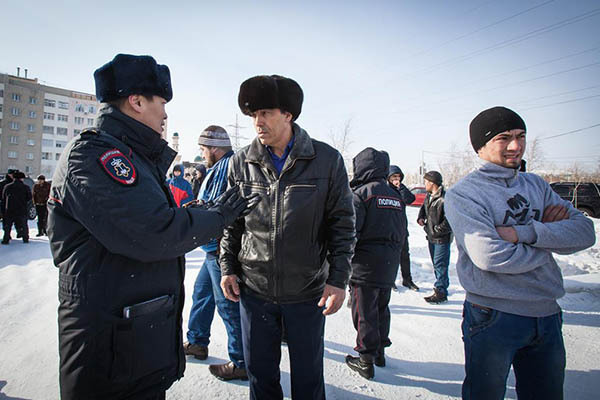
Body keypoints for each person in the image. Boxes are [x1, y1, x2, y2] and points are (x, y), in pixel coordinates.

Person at [47, 53, 259, 400]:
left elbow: (149, 218)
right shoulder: (98, 156)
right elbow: (153, 232)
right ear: (137, 101)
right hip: (109, 349)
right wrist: (219, 215)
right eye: (161, 103)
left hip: (132, 338)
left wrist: (202, 211)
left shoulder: (133, 156)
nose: (164, 114)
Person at [445, 106, 595, 400]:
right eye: (503, 138)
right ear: (480, 146)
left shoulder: (536, 185)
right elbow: (490, 256)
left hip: (547, 313)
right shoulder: (465, 194)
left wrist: (524, 233)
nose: (516, 145)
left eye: (521, 136)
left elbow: (585, 232)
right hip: (493, 316)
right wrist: (550, 240)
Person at [219, 74, 355, 400]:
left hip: (306, 293)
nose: (258, 122)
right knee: (261, 378)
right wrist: (227, 267)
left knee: (308, 380)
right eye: (253, 115)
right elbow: (230, 224)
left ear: (288, 115)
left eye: (265, 113)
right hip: (254, 292)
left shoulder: (326, 160)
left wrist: (338, 280)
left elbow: (343, 225)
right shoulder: (240, 162)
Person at [183, 125, 248, 381]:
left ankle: (241, 361)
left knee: (227, 305)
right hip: (212, 248)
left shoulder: (225, 167)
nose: (202, 154)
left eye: (203, 149)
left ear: (215, 148)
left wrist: (194, 211)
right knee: (202, 294)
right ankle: (197, 342)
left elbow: (218, 207)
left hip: (220, 249)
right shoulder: (220, 166)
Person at [345, 148, 407, 380]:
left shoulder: (361, 194)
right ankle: (379, 352)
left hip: (364, 265)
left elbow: (351, 232)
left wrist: (344, 261)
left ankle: (365, 360)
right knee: (381, 308)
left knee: (364, 312)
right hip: (389, 263)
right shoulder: (395, 195)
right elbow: (402, 231)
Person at [417, 170, 452, 304]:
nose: (425, 184)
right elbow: (424, 208)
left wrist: (436, 230)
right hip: (431, 236)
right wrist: (421, 217)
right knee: (437, 264)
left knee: (440, 264)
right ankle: (441, 287)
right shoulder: (429, 196)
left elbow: (449, 220)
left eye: (426, 181)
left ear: (432, 183)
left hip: (441, 238)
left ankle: (441, 292)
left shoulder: (445, 198)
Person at [388, 165, 418, 291]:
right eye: (394, 177)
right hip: (389, 228)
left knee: (405, 255)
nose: (397, 179)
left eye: (398, 177)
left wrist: (401, 188)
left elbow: (410, 199)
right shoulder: (385, 189)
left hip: (402, 228)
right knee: (391, 257)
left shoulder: (401, 189)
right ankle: (390, 280)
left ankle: (407, 279)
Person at [2, 171, 32, 244]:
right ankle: (25, 238)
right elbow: (29, 198)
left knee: (8, 226)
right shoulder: (26, 187)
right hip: (21, 209)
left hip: (10, 209)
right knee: (24, 225)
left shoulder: (7, 186)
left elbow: (4, 197)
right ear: (22, 178)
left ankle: (6, 239)